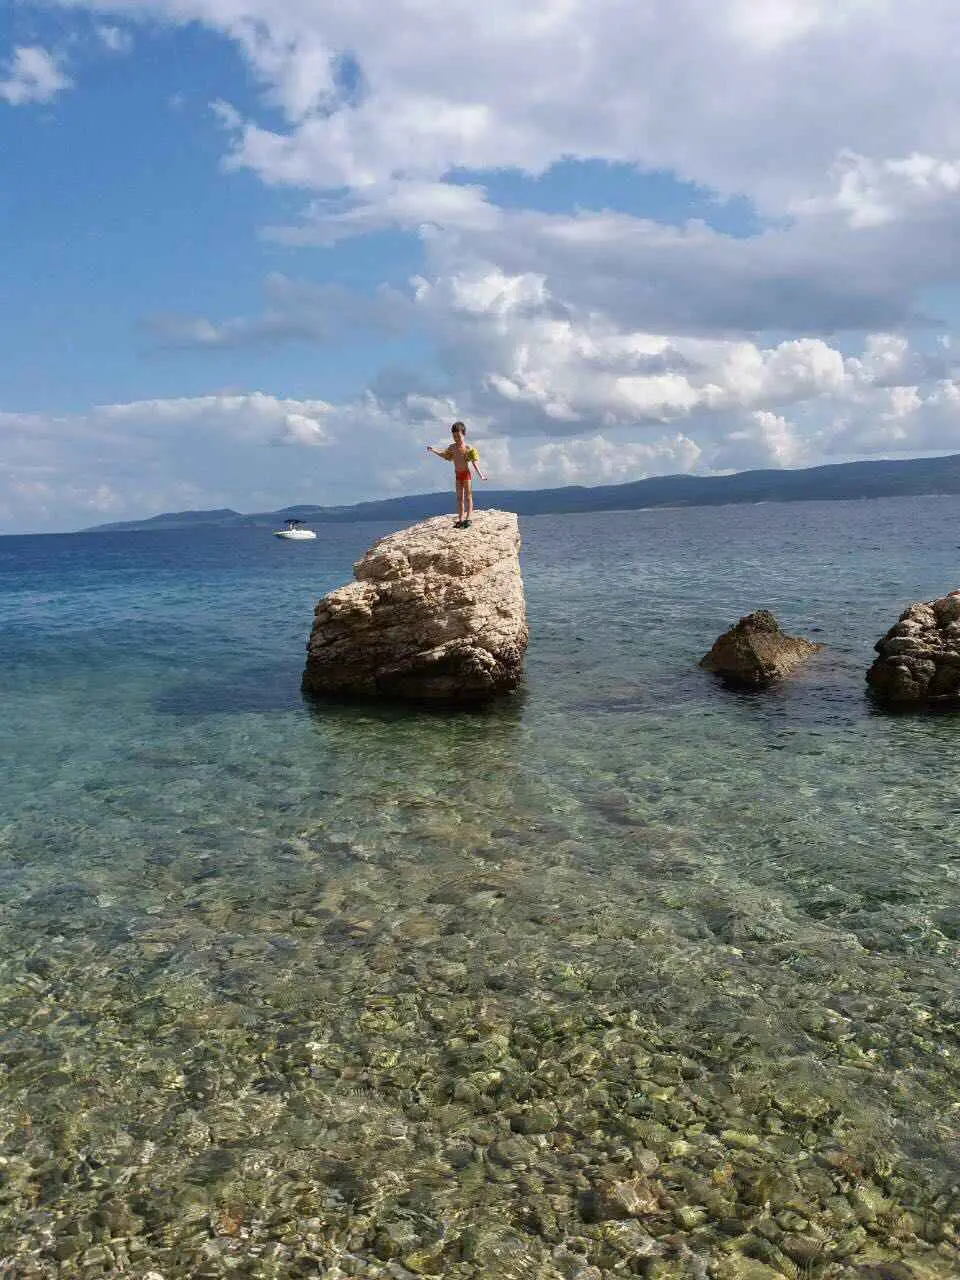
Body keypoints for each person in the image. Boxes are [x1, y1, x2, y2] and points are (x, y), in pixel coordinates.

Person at [427, 421, 486, 527]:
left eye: (458, 436)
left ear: (464, 434)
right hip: (458, 475)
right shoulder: (452, 448)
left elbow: (474, 463)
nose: (456, 438)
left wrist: (481, 475)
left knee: (468, 496)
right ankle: (460, 519)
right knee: (459, 498)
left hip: (466, 474)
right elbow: (445, 455)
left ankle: (468, 518)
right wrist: (433, 450)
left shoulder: (468, 448)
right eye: (454, 436)